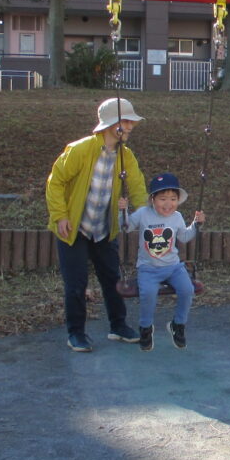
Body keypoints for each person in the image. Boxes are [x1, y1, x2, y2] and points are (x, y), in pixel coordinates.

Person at [45, 97, 148, 353]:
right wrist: (60, 216)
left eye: (132, 122)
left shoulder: (126, 156)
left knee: (112, 279)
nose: (131, 126)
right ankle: (76, 333)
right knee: (76, 283)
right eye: (126, 121)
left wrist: (149, 217)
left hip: (103, 229)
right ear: (111, 124)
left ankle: (118, 326)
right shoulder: (81, 150)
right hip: (74, 228)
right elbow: (55, 182)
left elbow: (137, 188)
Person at [126, 172, 206, 351]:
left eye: (173, 199)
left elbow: (184, 237)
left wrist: (196, 224)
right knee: (148, 294)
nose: (168, 204)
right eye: (163, 199)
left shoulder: (177, 217)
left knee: (187, 290)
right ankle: (146, 328)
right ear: (152, 199)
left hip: (173, 267)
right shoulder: (143, 214)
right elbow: (126, 226)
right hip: (148, 268)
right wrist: (121, 211)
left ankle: (178, 324)